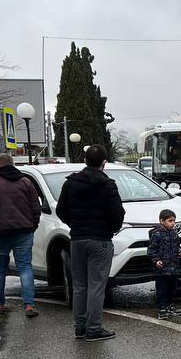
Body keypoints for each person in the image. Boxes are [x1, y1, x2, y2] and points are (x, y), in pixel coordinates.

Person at [55, 144, 124, 341]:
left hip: (77, 239)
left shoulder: (71, 183)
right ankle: (94, 329)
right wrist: (110, 229)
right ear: (104, 162)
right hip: (100, 240)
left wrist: (75, 224)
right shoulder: (107, 184)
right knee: (96, 286)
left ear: (85, 161)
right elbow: (117, 214)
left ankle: (80, 327)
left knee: (79, 285)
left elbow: (61, 210)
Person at [0, 153, 43, 317]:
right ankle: (28, 305)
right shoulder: (26, 182)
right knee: (25, 267)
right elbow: (36, 207)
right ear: (13, 164)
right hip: (23, 231)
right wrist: (33, 225)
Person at [148, 208, 181, 319]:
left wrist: (179, 251)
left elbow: (177, 246)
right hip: (162, 269)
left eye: (174, 221)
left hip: (173, 267)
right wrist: (156, 260)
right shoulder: (156, 235)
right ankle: (162, 308)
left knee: (172, 288)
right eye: (170, 221)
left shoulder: (174, 234)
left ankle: (170, 306)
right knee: (162, 289)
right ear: (162, 221)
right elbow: (151, 250)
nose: (173, 223)